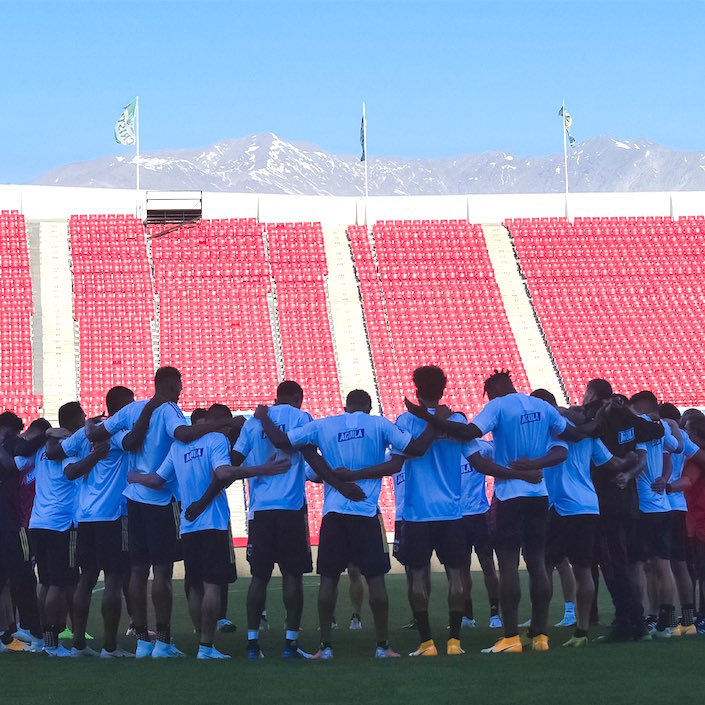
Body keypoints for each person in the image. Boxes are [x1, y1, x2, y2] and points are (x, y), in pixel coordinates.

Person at [404, 369, 587, 653]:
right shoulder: (541, 406)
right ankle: (540, 636)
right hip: (539, 493)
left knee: (509, 565)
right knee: (538, 564)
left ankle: (511, 636)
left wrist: (429, 416)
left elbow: (469, 432)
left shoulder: (498, 406)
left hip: (510, 495)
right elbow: (572, 437)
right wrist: (538, 461)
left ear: (492, 391)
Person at [259, 388, 434, 660]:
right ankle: (382, 645)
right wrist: (435, 421)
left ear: (346, 405)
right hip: (365, 512)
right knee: (375, 580)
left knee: (328, 579)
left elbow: (282, 441)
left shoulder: (325, 424)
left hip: (334, 513)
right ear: (369, 406)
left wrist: (264, 417)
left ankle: (325, 646)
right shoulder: (378, 423)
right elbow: (416, 449)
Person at [86, 366, 241, 658]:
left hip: (133, 498)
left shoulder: (131, 410)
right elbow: (182, 433)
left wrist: (87, 427)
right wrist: (221, 423)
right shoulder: (169, 409)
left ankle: (143, 640)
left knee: (137, 571)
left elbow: (97, 433)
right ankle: (163, 641)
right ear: (170, 385)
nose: (181, 391)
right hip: (160, 500)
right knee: (162, 573)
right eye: (180, 386)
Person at [129, 403, 288, 659]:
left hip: (188, 524)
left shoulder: (178, 446)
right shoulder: (216, 439)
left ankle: (199, 638)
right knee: (212, 585)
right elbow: (223, 472)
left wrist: (135, 478)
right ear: (220, 422)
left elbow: (157, 480)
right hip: (213, 522)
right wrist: (262, 469)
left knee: (194, 586)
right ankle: (206, 646)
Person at [186, 381, 319, 659]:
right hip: (291, 509)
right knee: (292, 576)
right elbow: (287, 444)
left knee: (259, 578)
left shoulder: (251, 424)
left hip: (259, 512)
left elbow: (232, 465)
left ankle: (252, 643)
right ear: (297, 397)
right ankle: (290, 643)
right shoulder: (300, 418)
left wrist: (204, 498)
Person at [532, 390, 637, 646]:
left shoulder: (552, 431)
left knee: (544, 566)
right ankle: (581, 632)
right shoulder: (590, 437)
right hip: (589, 506)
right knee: (583, 568)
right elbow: (612, 464)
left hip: (561, 505)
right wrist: (631, 460)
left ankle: (538, 630)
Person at [48, 386, 135, 657]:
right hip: (112, 516)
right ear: (118, 408)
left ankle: (79, 644)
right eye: (129, 405)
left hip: (84, 517)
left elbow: (55, 453)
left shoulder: (82, 435)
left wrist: (58, 433)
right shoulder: (118, 434)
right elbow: (135, 442)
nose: (132, 409)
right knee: (113, 579)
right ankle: (110, 646)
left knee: (86, 579)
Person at [581, 380, 664, 642]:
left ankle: (626, 623)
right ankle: (634, 620)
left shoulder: (597, 417)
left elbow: (582, 428)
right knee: (624, 563)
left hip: (605, 500)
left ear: (592, 393)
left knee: (614, 565)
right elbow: (655, 431)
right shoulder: (629, 421)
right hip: (629, 501)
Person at [29, 402, 86, 656]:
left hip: (38, 521)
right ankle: (54, 643)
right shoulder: (67, 448)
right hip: (61, 524)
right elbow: (72, 471)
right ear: (74, 421)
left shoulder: (42, 447)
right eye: (82, 417)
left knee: (47, 582)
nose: (85, 421)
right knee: (59, 585)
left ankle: (44, 638)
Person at [629, 391, 681, 638]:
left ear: (641, 407)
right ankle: (661, 622)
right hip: (662, 506)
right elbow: (677, 447)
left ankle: (640, 620)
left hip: (644, 506)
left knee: (639, 565)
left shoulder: (640, 429)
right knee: (661, 565)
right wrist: (670, 424)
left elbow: (639, 461)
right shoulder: (661, 430)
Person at [0, 414, 47, 652]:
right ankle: (32, 630)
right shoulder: (10, 443)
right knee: (24, 577)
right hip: (13, 523)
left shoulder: (9, 445)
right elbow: (14, 460)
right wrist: (47, 435)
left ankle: (8, 634)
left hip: (8, 521)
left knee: (9, 580)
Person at [658, 403, 703, 635]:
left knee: (658, 564)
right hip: (680, 506)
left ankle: (665, 619)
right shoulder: (684, 439)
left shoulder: (657, 430)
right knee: (680, 564)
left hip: (661, 503)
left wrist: (668, 485)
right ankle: (688, 619)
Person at [459, 439, 501, 630]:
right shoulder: (448, 450)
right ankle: (468, 615)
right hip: (456, 516)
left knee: (487, 564)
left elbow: (499, 451)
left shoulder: (480, 447)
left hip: (478, 514)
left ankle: (495, 613)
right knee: (462, 568)